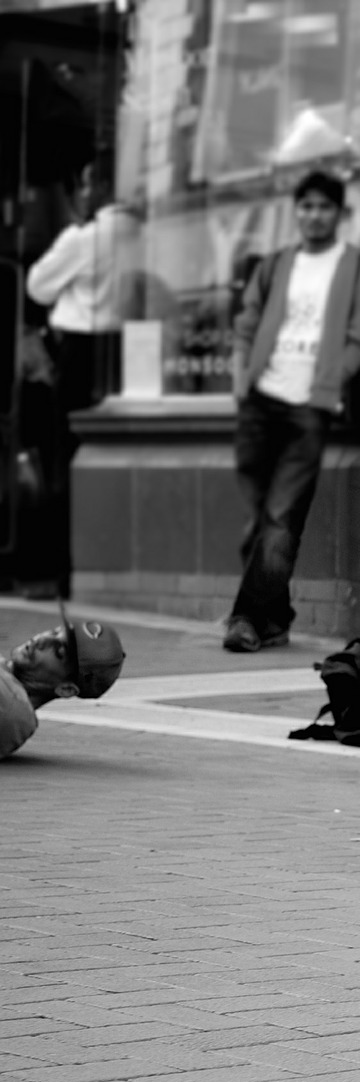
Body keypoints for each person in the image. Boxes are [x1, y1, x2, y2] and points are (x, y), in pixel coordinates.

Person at [224, 169, 360, 653]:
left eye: (324, 207)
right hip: (260, 402)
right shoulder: (275, 263)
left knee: (279, 518)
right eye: (306, 206)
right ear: (297, 211)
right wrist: (241, 377)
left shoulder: (355, 266)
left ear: (339, 213)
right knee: (260, 521)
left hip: (309, 409)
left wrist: (333, 378)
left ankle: (247, 618)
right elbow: (247, 321)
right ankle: (277, 617)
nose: (314, 215)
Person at [22, 163, 139, 599]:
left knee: (66, 460)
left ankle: (64, 572)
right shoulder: (144, 234)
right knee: (110, 453)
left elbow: (37, 287)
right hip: (127, 351)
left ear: (106, 185)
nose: (83, 192)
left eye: (88, 183)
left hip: (79, 353)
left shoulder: (87, 238)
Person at [0, 609, 126, 760]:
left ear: (66, 689)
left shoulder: (13, 711)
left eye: (58, 651)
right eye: (54, 632)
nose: (42, 639)